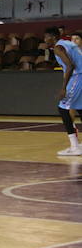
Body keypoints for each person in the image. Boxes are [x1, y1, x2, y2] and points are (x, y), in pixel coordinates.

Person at [43, 27, 82, 156]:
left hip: (77, 77)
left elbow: (70, 66)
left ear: (53, 37)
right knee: (80, 109)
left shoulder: (58, 47)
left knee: (63, 109)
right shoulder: (69, 43)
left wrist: (64, 88)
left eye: (46, 37)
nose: (45, 40)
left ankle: (74, 146)